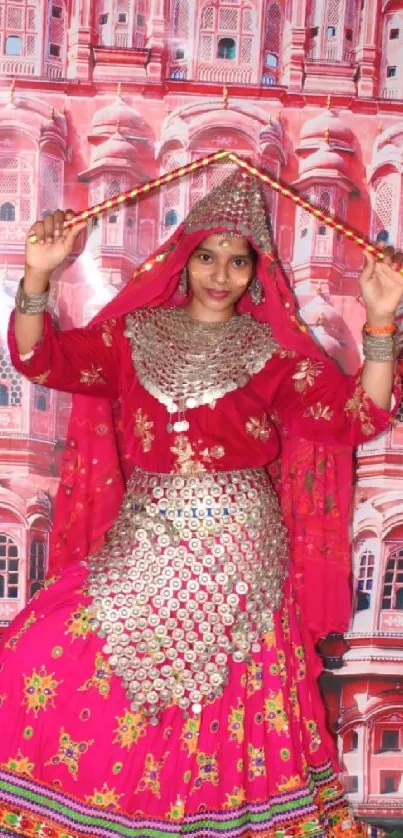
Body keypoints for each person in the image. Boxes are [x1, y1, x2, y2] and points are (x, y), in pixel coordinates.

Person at [0, 170, 402, 838]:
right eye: (208, 256)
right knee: (42, 649)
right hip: (145, 539)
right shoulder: (129, 336)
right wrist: (38, 278)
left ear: (256, 270)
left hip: (241, 552)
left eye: (237, 260)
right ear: (183, 259)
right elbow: (41, 363)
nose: (221, 273)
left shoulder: (275, 352)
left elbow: (358, 414)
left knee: (220, 695)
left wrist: (381, 319)